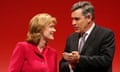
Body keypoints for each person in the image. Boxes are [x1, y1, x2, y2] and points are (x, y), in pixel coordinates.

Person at [59, 1, 115, 72]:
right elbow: (62, 64)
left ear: (89, 17)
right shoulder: (71, 38)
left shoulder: (105, 34)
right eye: (72, 19)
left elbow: (106, 60)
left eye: (77, 19)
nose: (73, 23)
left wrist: (79, 59)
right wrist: (70, 65)